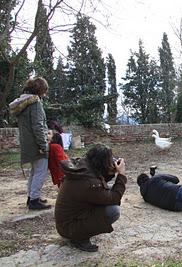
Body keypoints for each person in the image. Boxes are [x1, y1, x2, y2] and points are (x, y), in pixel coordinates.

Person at [55, 144, 127, 252]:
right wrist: (121, 175)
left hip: (67, 221)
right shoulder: (88, 183)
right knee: (113, 211)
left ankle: (82, 231)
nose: (112, 161)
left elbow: (98, 182)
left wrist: (111, 172)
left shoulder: (84, 167)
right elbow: (114, 198)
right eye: (109, 159)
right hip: (69, 228)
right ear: (101, 163)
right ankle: (79, 238)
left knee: (110, 190)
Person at [9, 77, 51, 210]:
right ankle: (34, 200)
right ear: (40, 90)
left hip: (27, 142)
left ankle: (32, 197)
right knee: (40, 171)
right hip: (36, 144)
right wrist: (43, 145)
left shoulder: (24, 102)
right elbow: (38, 126)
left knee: (34, 171)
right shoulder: (35, 103)